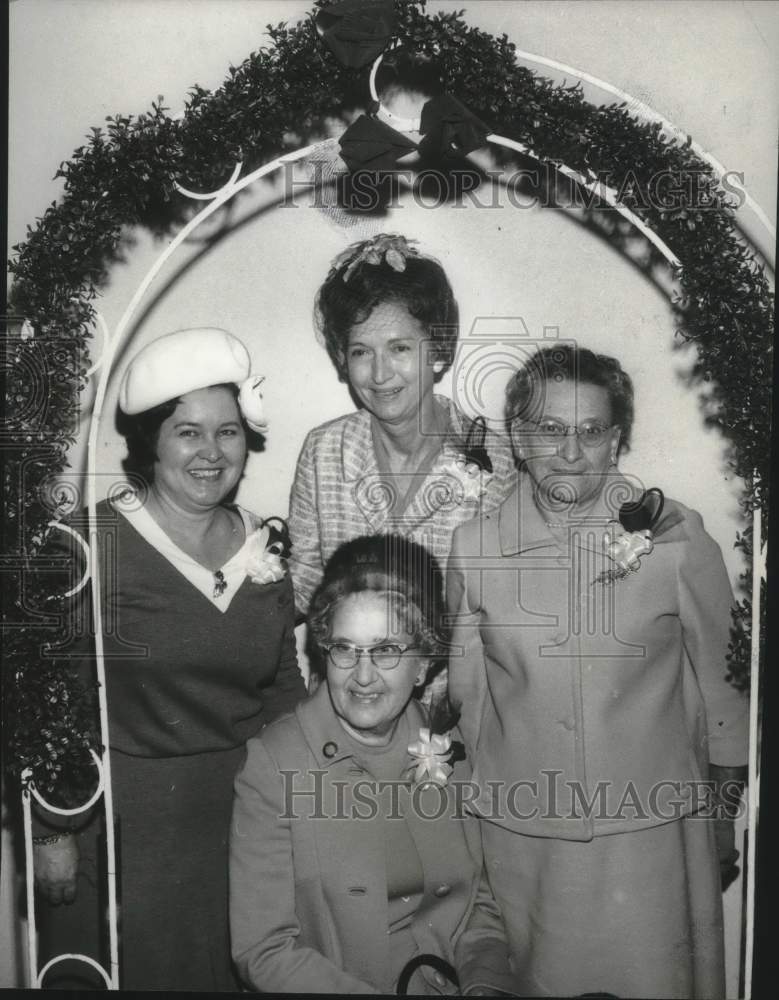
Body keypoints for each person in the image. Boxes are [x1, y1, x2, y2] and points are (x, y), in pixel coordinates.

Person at [446, 344, 748, 999]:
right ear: (519, 439)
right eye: (550, 430)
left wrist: (722, 817)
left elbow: (727, 694)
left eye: (591, 431)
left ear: (617, 440)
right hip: (524, 839)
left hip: (647, 842)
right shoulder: (473, 547)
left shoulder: (675, 538)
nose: (571, 451)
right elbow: (466, 699)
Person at [30, 328, 306, 991]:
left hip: (240, 823)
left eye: (229, 432)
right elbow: (40, 696)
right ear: (151, 440)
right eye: (188, 432)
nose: (212, 453)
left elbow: (282, 692)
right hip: (121, 826)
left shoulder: (263, 546)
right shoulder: (85, 544)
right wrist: (51, 829)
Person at [230, 534, 520, 995]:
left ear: (423, 663)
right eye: (345, 649)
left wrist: (484, 985)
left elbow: (479, 909)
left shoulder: (448, 750)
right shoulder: (274, 765)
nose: (363, 676)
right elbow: (263, 950)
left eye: (386, 651)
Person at [287, 233, 517, 625]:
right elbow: (304, 583)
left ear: (439, 351)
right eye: (361, 351)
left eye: (400, 349)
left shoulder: (495, 462)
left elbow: (493, 611)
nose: (379, 374)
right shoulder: (323, 451)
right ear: (342, 358)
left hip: (451, 684)